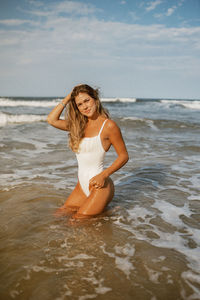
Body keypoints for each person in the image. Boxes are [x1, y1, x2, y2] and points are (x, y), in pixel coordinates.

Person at [47, 84, 128, 219]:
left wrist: (103, 175)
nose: (85, 106)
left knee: (77, 222)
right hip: (82, 185)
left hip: (100, 185)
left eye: (87, 100)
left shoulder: (108, 126)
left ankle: (104, 212)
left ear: (95, 99)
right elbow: (51, 119)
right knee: (58, 216)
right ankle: (105, 213)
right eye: (79, 104)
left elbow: (124, 156)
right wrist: (69, 97)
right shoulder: (78, 126)